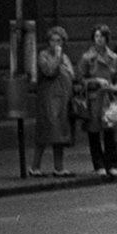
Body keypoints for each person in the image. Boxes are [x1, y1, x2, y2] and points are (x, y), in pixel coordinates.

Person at [79, 24, 117, 178]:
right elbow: (80, 79)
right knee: (94, 132)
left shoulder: (114, 58)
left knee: (110, 131)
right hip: (93, 98)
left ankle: (112, 164)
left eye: (102, 36)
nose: (99, 39)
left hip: (108, 98)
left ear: (107, 38)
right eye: (97, 36)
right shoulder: (87, 58)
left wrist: (114, 87)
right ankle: (99, 165)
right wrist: (96, 81)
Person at [30, 26, 75, 177]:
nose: (56, 43)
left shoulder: (65, 57)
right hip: (48, 99)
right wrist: (57, 57)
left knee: (60, 134)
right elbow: (49, 71)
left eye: (59, 40)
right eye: (53, 40)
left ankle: (59, 167)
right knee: (45, 132)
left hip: (62, 100)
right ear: (48, 42)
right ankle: (35, 167)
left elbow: (71, 75)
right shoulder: (43, 55)